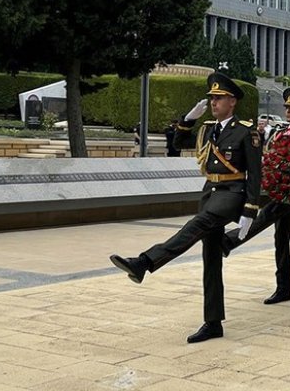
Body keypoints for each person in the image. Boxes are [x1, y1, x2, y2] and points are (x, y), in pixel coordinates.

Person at [108, 72, 261, 343]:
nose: (214, 103)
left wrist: (250, 210)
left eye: (219, 98)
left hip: (232, 194)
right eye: (212, 98)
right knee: (210, 259)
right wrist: (187, 121)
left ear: (232, 101)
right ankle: (213, 322)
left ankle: (144, 262)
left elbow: (255, 173)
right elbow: (177, 145)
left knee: (196, 225)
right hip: (210, 192)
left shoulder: (245, 131)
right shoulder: (207, 129)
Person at [221, 88, 290, 305]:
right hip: (279, 188)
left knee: (267, 215)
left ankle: (231, 240)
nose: (289, 111)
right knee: (280, 238)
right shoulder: (280, 132)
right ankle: (283, 287)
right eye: (287, 108)